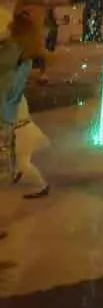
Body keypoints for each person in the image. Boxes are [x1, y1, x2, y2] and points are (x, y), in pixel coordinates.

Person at [1, 11, 48, 199]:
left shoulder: (12, 53)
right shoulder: (24, 56)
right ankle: (32, 183)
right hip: (15, 120)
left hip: (13, 124)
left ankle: (34, 184)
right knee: (20, 164)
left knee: (20, 164)